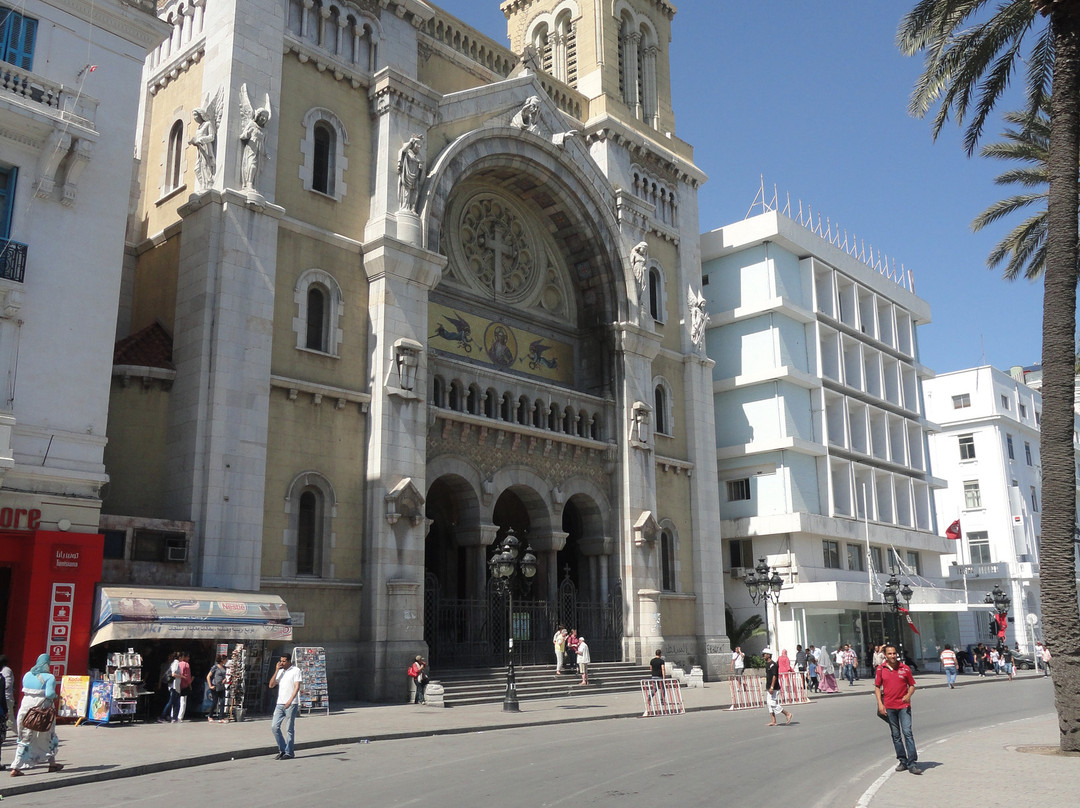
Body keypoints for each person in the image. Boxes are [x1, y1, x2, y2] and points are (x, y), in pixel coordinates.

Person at [9, 654, 64, 776]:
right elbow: (49, 694)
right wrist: (57, 697)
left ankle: (51, 764)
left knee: (25, 737)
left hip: (25, 709)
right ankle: (17, 767)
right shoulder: (50, 677)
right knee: (48, 736)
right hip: (42, 711)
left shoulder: (27, 675)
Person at [874, 645, 921, 775]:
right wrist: (880, 704)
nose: (893, 656)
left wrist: (908, 695)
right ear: (885, 655)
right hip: (889, 707)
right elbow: (877, 687)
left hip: (903, 707)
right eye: (890, 654)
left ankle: (912, 763)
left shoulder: (905, 668)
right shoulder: (880, 669)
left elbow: (912, 685)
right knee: (896, 735)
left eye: (894, 653)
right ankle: (902, 760)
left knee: (907, 733)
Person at [268, 654, 302, 760]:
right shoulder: (281, 672)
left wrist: (290, 700)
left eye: (283, 661)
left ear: (288, 661)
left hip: (291, 704)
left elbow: (297, 687)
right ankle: (282, 749)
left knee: (289, 729)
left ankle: (289, 752)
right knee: (274, 727)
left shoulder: (296, 670)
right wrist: (276, 670)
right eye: (280, 661)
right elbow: (271, 685)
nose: (281, 663)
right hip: (280, 703)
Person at [762, 649, 792, 726]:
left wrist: (772, 687)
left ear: (768, 655)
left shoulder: (773, 664)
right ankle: (773, 720)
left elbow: (774, 676)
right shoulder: (767, 664)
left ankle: (787, 713)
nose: (763, 656)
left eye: (764, 654)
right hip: (769, 687)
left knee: (772, 703)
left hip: (774, 688)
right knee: (769, 704)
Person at [157, 652, 181, 723]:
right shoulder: (171, 664)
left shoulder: (173, 663)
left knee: (172, 701)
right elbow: (163, 674)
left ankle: (170, 716)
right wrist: (159, 683)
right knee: (170, 701)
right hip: (169, 684)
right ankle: (163, 715)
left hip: (171, 684)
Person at [645, 649, 667, 714]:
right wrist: (664, 677)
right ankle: (662, 701)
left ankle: (650, 696)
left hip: (653, 676)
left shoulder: (652, 660)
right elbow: (663, 669)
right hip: (659, 676)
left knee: (654, 689)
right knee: (662, 689)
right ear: (660, 654)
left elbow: (650, 668)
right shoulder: (661, 661)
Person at [206, 654, 227, 722]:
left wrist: (225, 679)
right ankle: (210, 715)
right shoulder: (215, 667)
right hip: (215, 686)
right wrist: (210, 686)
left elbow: (224, 676)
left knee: (222, 701)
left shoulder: (224, 668)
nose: (226, 661)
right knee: (215, 702)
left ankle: (221, 717)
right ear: (222, 660)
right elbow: (208, 676)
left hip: (222, 686)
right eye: (225, 659)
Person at [176, 651, 193, 721]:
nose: (189, 658)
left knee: (176, 700)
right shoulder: (186, 664)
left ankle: (173, 714)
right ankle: (180, 716)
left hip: (177, 684)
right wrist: (190, 684)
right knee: (183, 701)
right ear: (185, 657)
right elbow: (188, 676)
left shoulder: (177, 664)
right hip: (184, 685)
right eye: (188, 656)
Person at [0, 654, 13, 732]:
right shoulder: (5, 672)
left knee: (11, 720)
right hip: (6, 697)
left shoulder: (5, 671)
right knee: (10, 719)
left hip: (6, 697)